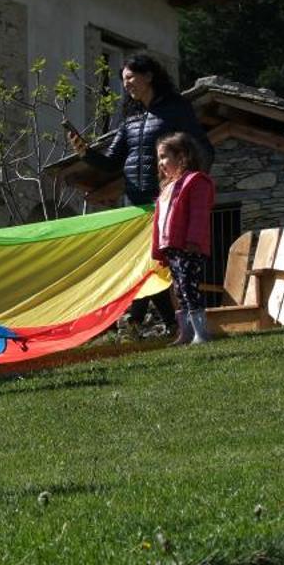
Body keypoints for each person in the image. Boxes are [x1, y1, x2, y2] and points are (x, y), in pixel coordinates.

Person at [67, 52, 214, 336]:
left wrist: (190, 186)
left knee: (159, 267)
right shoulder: (131, 120)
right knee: (148, 266)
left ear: (149, 76)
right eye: (124, 80)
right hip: (137, 204)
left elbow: (202, 148)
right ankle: (165, 324)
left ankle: (159, 324)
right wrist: (85, 152)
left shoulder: (176, 109)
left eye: (131, 77)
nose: (127, 84)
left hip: (167, 203)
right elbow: (111, 162)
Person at [153, 132, 217, 347]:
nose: (160, 163)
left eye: (164, 156)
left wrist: (193, 241)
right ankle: (186, 333)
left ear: (182, 156)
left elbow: (199, 214)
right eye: (159, 158)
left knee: (190, 287)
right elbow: (160, 223)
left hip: (188, 246)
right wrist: (159, 250)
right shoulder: (168, 187)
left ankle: (201, 333)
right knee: (179, 290)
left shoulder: (196, 181)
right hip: (172, 248)